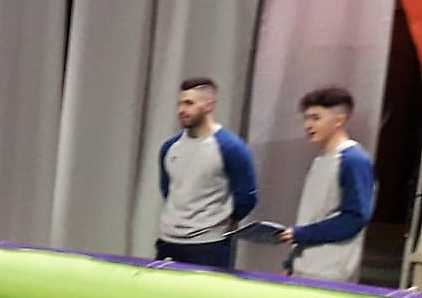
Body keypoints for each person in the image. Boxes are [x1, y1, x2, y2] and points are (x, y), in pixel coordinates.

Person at [157, 77, 258, 269]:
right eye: (180, 103)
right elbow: (167, 189)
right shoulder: (169, 147)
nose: (182, 110)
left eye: (189, 103)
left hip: (208, 245)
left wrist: (224, 220)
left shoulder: (230, 147)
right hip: (168, 241)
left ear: (209, 106)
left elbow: (247, 196)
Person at [279, 86, 376, 281]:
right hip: (305, 265)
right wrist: (292, 260)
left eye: (316, 118)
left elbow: (354, 217)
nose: (308, 125)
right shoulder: (321, 159)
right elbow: (312, 215)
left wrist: (300, 233)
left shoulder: (353, 160)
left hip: (329, 270)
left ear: (339, 120)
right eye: (306, 118)